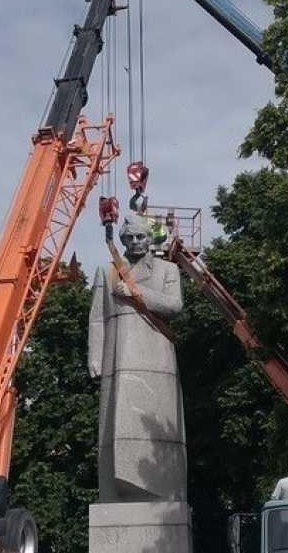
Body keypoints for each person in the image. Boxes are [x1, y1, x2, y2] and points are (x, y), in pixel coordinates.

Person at [88, 215, 186, 502]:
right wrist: (95, 356)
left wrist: (136, 291)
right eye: (128, 237)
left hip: (157, 356)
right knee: (114, 423)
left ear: (149, 238)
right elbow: (96, 318)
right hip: (117, 356)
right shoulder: (106, 272)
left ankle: (157, 487)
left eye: (140, 236)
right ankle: (119, 487)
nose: (134, 242)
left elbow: (174, 305)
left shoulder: (168, 269)